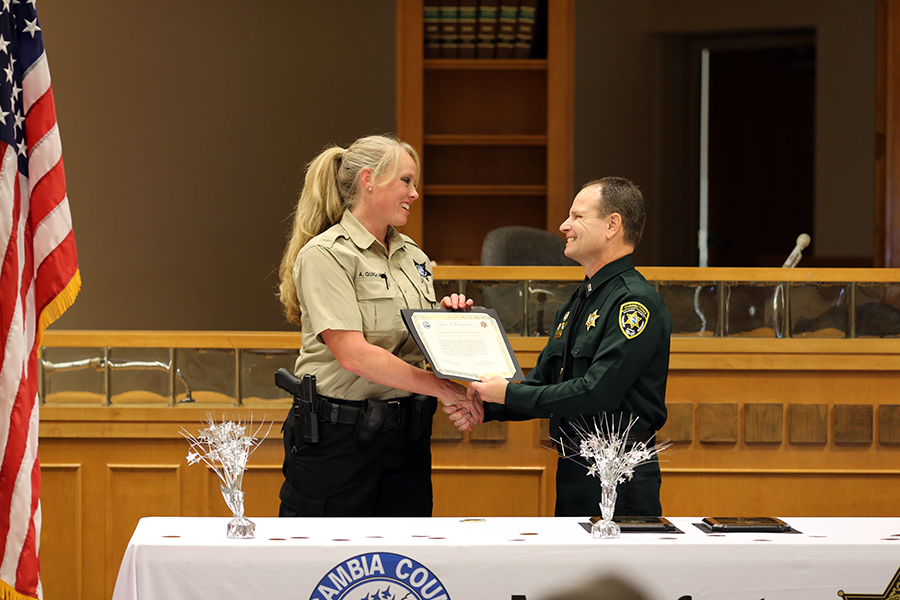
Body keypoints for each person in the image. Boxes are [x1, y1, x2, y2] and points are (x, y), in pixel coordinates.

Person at [277, 133, 478, 518]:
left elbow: (416, 345)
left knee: (404, 568)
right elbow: (354, 355)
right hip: (339, 443)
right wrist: (443, 390)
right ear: (368, 179)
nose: (414, 193)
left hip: (407, 440)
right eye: (406, 181)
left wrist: (450, 324)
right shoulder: (326, 254)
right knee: (326, 570)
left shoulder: (414, 256)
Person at [454, 177, 671, 517]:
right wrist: (484, 404)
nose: (564, 226)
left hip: (618, 473)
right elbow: (543, 384)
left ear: (612, 225)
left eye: (577, 216)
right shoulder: (577, 302)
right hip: (573, 466)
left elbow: (596, 392)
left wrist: (506, 395)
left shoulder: (634, 302)